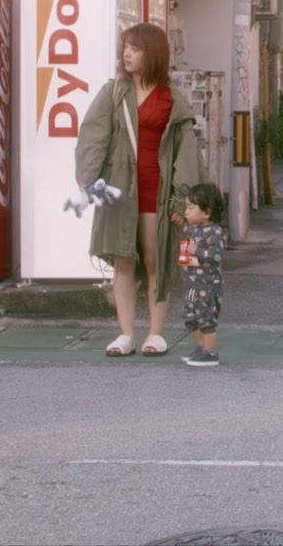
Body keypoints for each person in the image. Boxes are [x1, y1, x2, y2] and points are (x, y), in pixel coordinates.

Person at [75, 22, 203, 357]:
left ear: (153, 54)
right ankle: (126, 334)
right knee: (123, 264)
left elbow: (186, 153)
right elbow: (92, 138)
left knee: (155, 261)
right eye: (125, 47)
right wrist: (89, 181)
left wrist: (181, 197)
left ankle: (156, 333)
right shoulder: (113, 91)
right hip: (119, 190)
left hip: (157, 192)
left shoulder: (171, 98)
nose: (127, 54)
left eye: (135, 48)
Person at [179, 182, 227, 367]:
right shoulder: (192, 228)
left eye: (191, 208)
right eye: (186, 207)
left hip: (208, 286)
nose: (186, 212)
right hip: (192, 284)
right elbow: (184, 232)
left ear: (206, 213)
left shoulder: (215, 232)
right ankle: (201, 348)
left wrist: (197, 251)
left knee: (206, 317)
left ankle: (210, 352)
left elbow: (216, 256)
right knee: (190, 316)